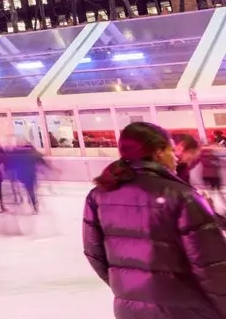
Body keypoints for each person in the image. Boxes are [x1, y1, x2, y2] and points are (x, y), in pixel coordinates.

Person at [84, 121, 226, 318]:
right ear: (158, 152)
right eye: (170, 149)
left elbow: (94, 254)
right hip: (187, 310)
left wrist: (131, 288)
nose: (175, 157)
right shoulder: (182, 197)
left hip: (131, 310)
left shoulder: (99, 195)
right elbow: (212, 266)